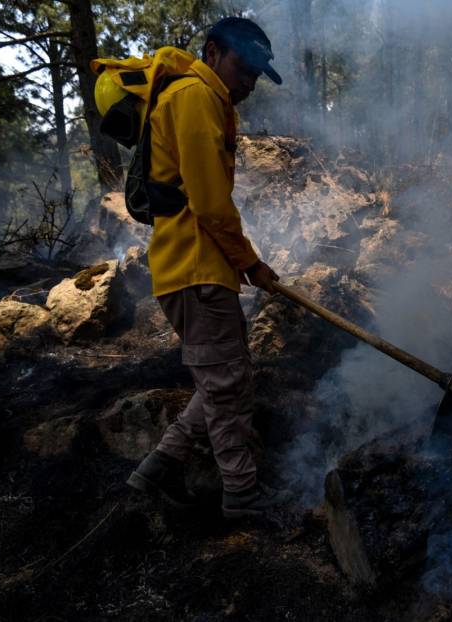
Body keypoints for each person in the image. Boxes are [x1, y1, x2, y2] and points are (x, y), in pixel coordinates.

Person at [125, 17, 285, 518]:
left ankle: (157, 468)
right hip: (195, 270)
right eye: (245, 67)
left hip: (198, 270)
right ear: (213, 52)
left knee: (223, 379)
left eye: (259, 75)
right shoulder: (195, 95)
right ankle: (242, 495)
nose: (250, 83)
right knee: (228, 385)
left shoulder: (205, 99)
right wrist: (251, 263)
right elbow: (210, 202)